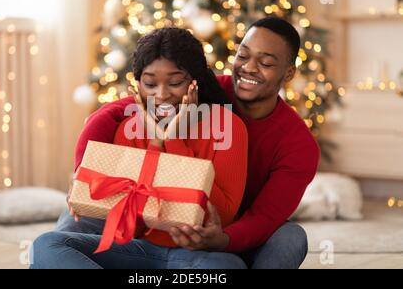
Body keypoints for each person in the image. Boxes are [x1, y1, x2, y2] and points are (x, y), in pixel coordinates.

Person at [40, 17, 320, 269]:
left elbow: (264, 218)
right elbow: (110, 113)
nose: (248, 68)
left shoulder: (298, 145)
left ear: (288, 73)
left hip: (228, 238)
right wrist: (83, 174)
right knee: (64, 228)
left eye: (266, 62)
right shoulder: (200, 90)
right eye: (243, 55)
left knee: (290, 237)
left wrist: (221, 239)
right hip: (148, 238)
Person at [30, 27, 249, 269]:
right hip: (140, 251)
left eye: (175, 82)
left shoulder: (227, 126)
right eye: (150, 84)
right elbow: (131, 223)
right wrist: (156, 143)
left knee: (226, 269)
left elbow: (222, 214)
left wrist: (172, 139)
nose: (162, 95)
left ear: (195, 82)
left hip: (198, 255)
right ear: (139, 84)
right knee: (47, 245)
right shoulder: (129, 128)